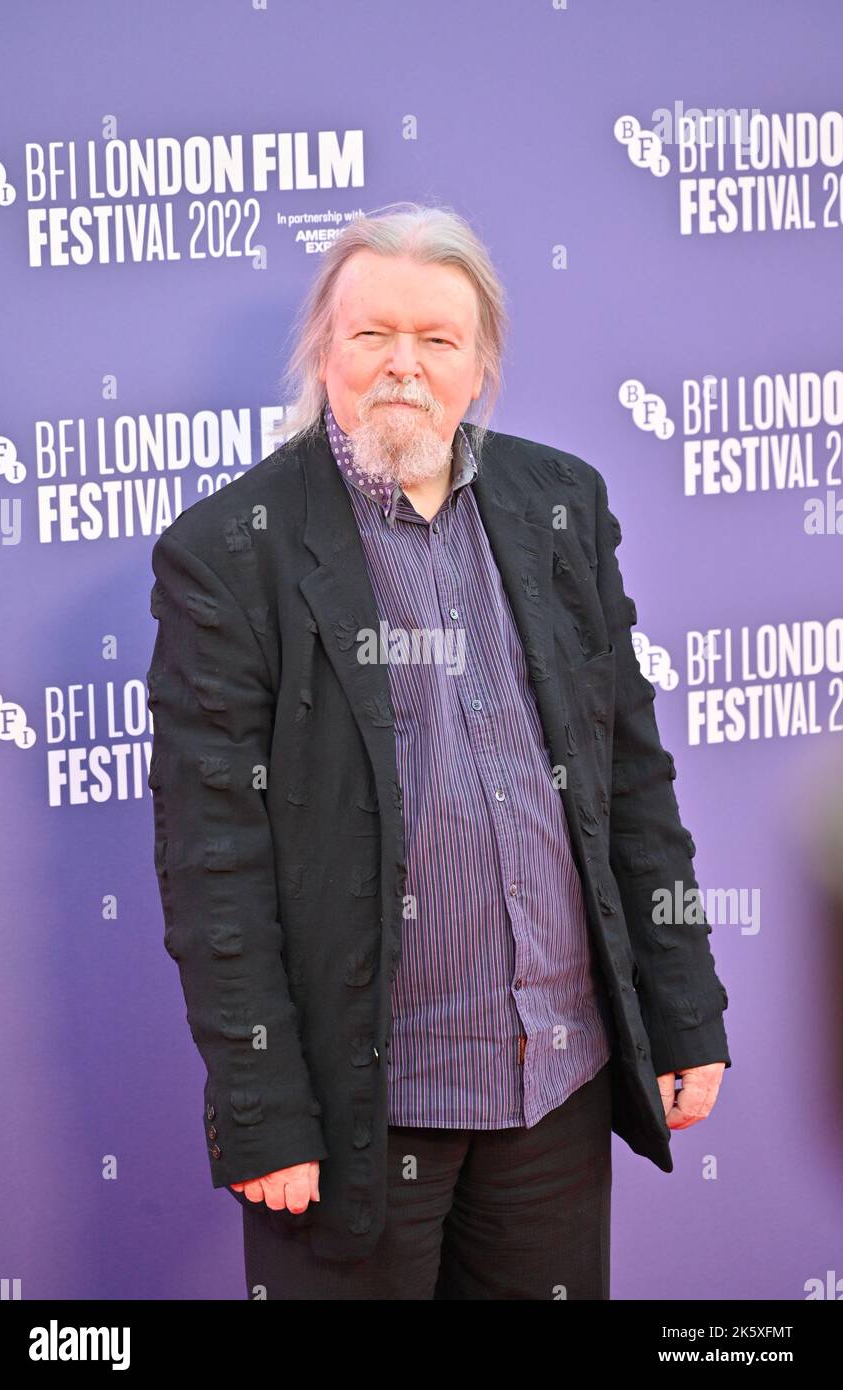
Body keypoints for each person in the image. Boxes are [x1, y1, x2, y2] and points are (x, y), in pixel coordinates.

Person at [146, 201, 731, 1300]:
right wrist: (266, 1109)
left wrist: (685, 1006)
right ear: (327, 352)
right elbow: (212, 865)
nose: (401, 366)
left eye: (437, 340)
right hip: (360, 1115)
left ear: (481, 368)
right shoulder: (232, 554)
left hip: (554, 1093)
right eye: (371, 335)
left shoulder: (561, 504)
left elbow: (634, 780)